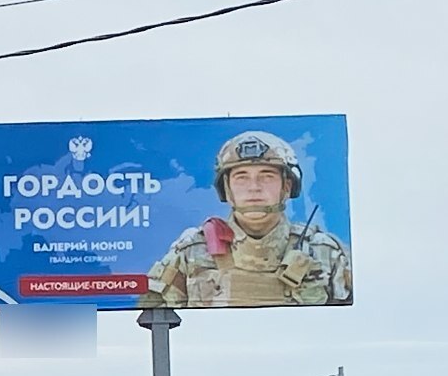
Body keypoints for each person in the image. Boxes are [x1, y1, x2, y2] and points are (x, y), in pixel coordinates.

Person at [142, 131, 351, 308]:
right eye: (241, 177)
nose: (254, 187)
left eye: (267, 176)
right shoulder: (190, 253)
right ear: (227, 188)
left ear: (286, 187)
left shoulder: (325, 253)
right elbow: (153, 318)